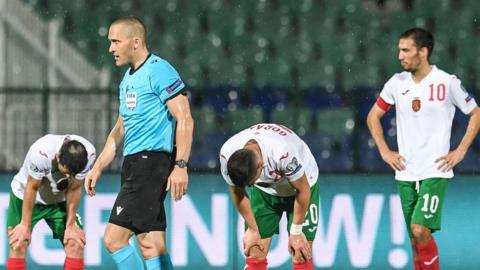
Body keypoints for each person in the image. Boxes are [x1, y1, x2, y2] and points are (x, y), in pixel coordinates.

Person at [84, 16, 193, 270]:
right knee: (150, 243)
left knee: (113, 240)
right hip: (134, 165)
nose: (110, 48)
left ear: (135, 42)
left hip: (150, 164)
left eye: (115, 41)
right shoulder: (127, 80)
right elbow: (121, 128)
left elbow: (185, 117)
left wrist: (181, 165)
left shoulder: (159, 70)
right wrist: (98, 166)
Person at [367, 27, 480, 270]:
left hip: (434, 170)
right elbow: (373, 117)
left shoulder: (446, 82)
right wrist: (385, 152)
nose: (400, 56)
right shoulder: (396, 83)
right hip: (406, 172)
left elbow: (476, 113)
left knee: (420, 230)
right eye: (399, 50)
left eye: (406, 50)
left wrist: (459, 151)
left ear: (423, 51)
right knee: (415, 238)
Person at [219, 123, 319, 270]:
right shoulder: (227, 155)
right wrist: (253, 229)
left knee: (301, 251)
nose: (250, 187)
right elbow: (237, 192)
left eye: (252, 182)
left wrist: (296, 232)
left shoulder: (282, 152)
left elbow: (302, 189)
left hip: (303, 184)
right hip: (265, 192)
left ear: (261, 165)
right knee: (255, 249)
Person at [6, 134, 96, 270]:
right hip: (26, 197)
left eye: (71, 174)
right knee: (18, 243)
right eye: (66, 172)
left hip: (59, 201)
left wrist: (70, 225)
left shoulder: (89, 154)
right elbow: (32, 187)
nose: (67, 177)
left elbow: (75, 187)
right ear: (58, 156)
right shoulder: (41, 152)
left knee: (75, 243)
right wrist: (24, 225)